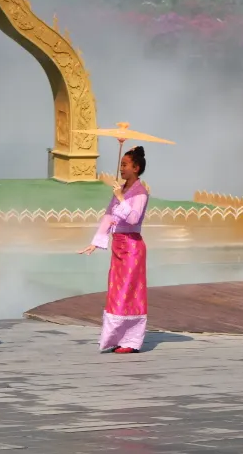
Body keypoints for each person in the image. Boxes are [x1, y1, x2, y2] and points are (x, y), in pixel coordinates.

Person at [78, 146, 150, 354]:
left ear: (136, 168)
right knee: (116, 292)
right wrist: (96, 241)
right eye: (121, 165)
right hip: (118, 246)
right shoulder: (122, 190)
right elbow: (109, 216)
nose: (121, 168)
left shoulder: (140, 193)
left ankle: (132, 341)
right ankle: (117, 337)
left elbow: (134, 218)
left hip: (132, 247)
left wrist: (120, 198)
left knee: (129, 292)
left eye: (125, 165)